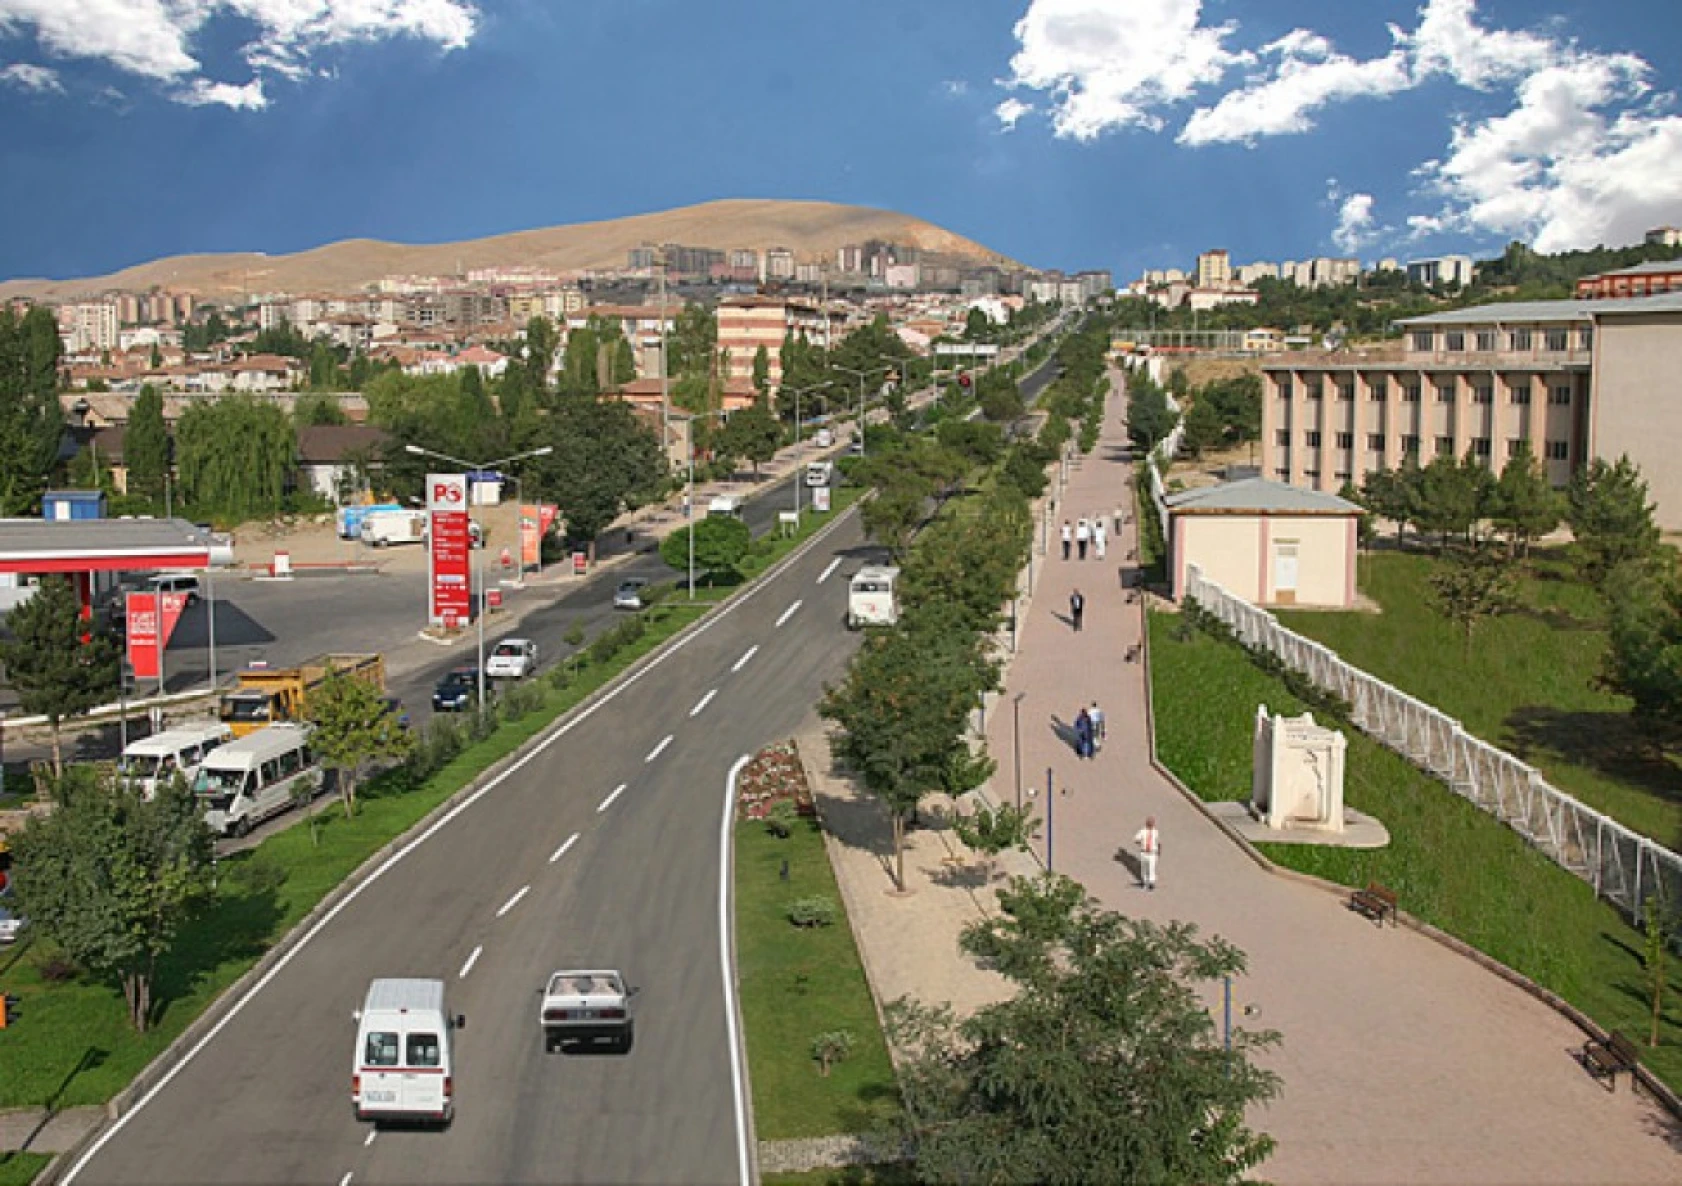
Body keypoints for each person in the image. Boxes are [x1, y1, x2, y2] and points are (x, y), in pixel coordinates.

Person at [1134, 816, 1161, 890]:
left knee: (1151, 867)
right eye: (1149, 822)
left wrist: (1158, 852)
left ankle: (1151, 883)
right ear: (1146, 823)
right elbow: (1136, 839)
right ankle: (1144, 882)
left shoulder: (1155, 832)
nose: (1151, 824)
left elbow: (1158, 842)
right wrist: (1142, 845)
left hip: (1152, 852)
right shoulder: (1142, 831)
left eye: (1152, 822)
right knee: (1144, 867)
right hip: (1144, 852)